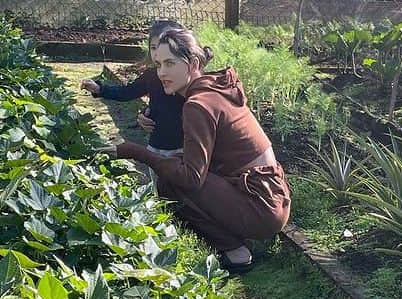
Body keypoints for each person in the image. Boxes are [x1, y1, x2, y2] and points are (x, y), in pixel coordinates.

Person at [111, 28, 290, 273]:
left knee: (170, 182)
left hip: (260, 206)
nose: (161, 72)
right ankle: (236, 239)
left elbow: (191, 179)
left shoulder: (198, 104)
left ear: (193, 63)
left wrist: (134, 151)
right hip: (272, 197)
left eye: (170, 63)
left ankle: (235, 251)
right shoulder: (214, 89)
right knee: (176, 163)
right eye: (158, 64)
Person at [80, 19, 185, 156]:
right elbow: (128, 91)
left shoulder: (188, 81)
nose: (158, 53)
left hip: (183, 149)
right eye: (154, 48)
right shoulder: (151, 76)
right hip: (156, 146)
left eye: (163, 47)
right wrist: (100, 89)